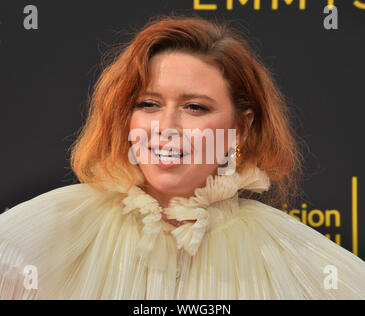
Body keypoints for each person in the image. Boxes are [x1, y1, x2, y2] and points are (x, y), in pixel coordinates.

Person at [1, 14, 364, 300]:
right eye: (148, 104)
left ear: (240, 127)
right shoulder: (46, 233)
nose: (166, 127)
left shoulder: (299, 262)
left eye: (194, 107)